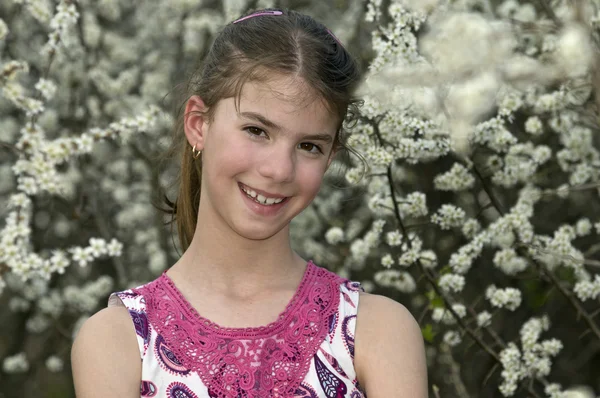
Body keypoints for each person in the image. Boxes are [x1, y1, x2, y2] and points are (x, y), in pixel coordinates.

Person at [71, 8, 427, 398]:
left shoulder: (377, 331)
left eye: (309, 146)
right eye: (256, 130)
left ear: (329, 158)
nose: (278, 170)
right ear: (198, 124)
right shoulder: (117, 341)